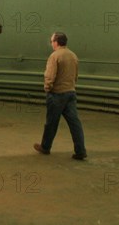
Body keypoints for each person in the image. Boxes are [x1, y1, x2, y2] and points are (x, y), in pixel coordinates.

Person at [34, 32, 87, 160]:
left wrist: (47, 88)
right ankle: (80, 151)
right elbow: (76, 76)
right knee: (75, 123)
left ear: (56, 42)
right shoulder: (73, 55)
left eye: (52, 41)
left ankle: (45, 147)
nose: (51, 43)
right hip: (70, 93)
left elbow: (50, 75)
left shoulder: (55, 56)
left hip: (57, 95)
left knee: (51, 123)